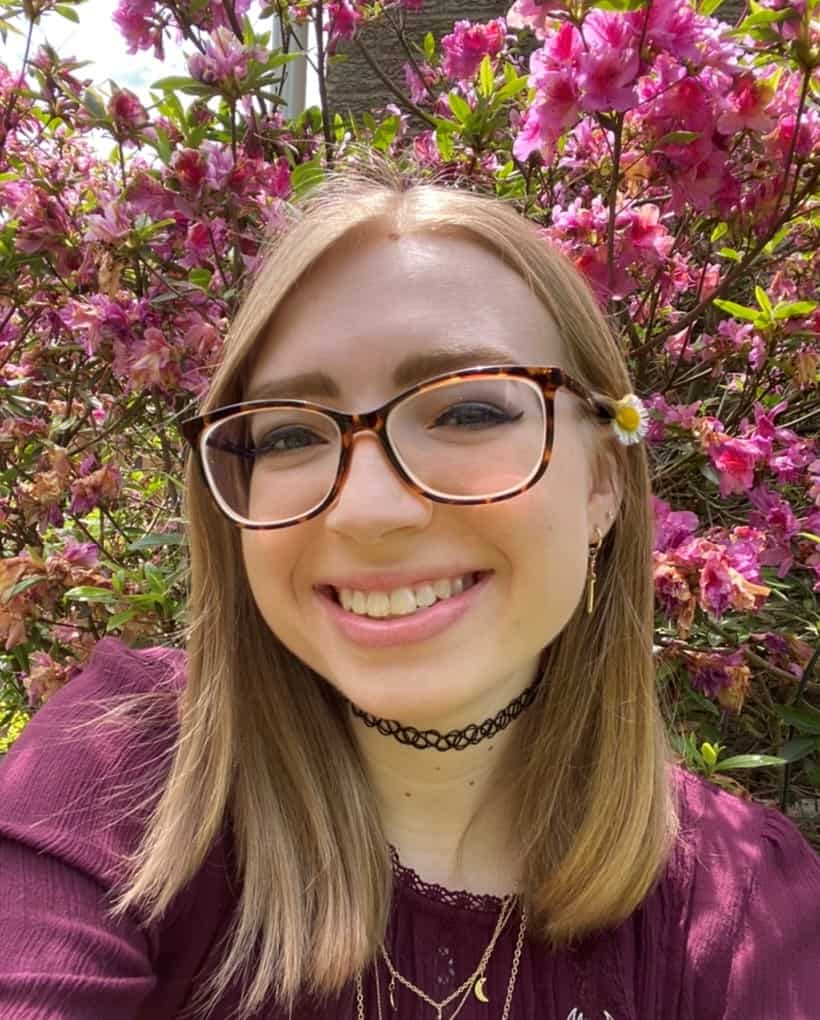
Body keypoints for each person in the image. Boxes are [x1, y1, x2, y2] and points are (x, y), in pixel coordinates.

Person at [1, 163, 818, 1020]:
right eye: (285, 433)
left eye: (468, 413)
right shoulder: (119, 777)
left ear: (604, 483)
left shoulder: (742, 910)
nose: (368, 510)